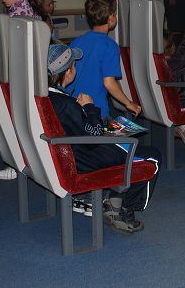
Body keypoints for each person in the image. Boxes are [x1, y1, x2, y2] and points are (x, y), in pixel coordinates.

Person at [47, 43, 160, 233]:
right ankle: (125, 209)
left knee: (125, 140)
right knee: (152, 156)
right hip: (86, 157)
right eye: (74, 65)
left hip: (69, 152)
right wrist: (89, 107)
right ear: (67, 72)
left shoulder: (47, 98)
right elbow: (95, 134)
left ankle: (110, 197)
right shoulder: (66, 105)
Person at [0, 0, 47, 180]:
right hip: (27, 75)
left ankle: (17, 165)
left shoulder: (19, 17)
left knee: (18, 120)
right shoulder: (22, 12)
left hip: (21, 77)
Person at [69, 0, 141, 119]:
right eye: (115, 14)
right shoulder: (110, 46)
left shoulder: (77, 41)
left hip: (73, 108)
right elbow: (109, 83)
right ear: (110, 18)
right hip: (96, 110)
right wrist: (129, 103)